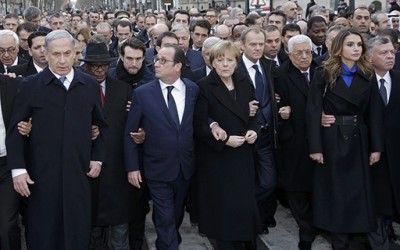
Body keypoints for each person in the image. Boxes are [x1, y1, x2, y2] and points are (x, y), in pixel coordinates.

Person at [6, 30, 107, 250]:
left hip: (79, 175)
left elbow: (101, 125)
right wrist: (18, 170)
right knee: (43, 234)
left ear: (75, 54)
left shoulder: (89, 85)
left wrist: (97, 159)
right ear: (46, 54)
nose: (62, 60)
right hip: (41, 177)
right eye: (56, 54)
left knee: (77, 234)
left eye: (67, 53)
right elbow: (15, 129)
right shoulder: (31, 85)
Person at [306, 29, 384, 249]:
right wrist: (316, 147)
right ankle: (338, 238)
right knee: (335, 190)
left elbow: (374, 113)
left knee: (357, 191)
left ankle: (357, 238)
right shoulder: (323, 72)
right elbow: (312, 111)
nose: (356, 49)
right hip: (332, 140)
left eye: (359, 45)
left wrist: (376, 147)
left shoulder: (368, 73)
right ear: (339, 48)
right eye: (350, 44)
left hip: (358, 140)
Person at [124, 45, 199, 250]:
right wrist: (132, 168)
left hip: (185, 166)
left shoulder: (192, 89)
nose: (156, 63)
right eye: (156, 59)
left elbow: (200, 120)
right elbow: (130, 133)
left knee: (174, 215)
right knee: (165, 216)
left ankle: (166, 242)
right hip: (156, 167)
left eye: (163, 60)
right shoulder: (143, 93)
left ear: (178, 66)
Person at [194, 40, 260, 249]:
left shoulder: (243, 82)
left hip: (244, 154)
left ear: (236, 63)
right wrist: (224, 141)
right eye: (220, 60)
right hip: (219, 158)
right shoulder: (204, 86)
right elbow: (199, 124)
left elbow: (253, 114)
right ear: (212, 63)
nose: (224, 65)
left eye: (229, 60)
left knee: (244, 206)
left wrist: (254, 131)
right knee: (223, 211)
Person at [81, 42, 136, 250]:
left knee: (119, 225)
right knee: (93, 226)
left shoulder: (123, 90)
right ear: (86, 66)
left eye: (103, 65)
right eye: (94, 65)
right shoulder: (77, 89)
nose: (99, 69)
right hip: (88, 167)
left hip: (117, 167)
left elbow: (133, 124)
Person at [274, 35, 317, 250]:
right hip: (294, 140)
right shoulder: (280, 74)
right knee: (296, 188)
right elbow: (276, 103)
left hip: (320, 138)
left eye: (307, 52)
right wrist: (284, 112)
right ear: (289, 55)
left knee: (316, 187)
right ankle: (306, 229)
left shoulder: (321, 70)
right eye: (298, 53)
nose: (304, 56)